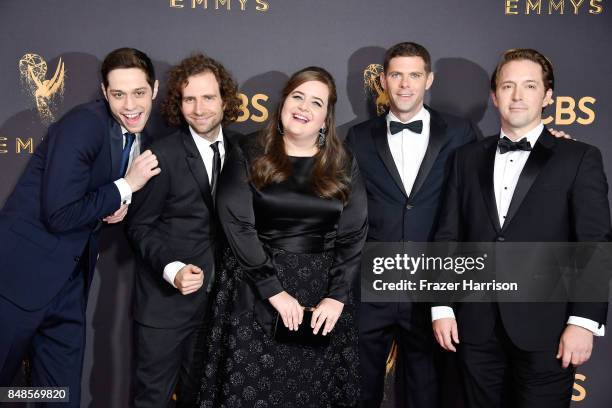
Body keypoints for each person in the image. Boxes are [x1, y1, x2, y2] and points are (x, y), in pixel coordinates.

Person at [432, 48, 610, 408]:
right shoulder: (465, 159)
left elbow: (594, 244)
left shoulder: (578, 157)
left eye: (529, 86)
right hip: (475, 327)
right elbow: (448, 235)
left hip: (548, 329)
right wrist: (441, 306)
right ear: (494, 96)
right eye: (507, 85)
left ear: (547, 96)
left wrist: (584, 321)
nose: (517, 95)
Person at [192, 66, 367, 408]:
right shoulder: (248, 150)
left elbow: (354, 233)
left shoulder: (343, 161)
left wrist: (337, 296)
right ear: (284, 102)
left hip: (321, 298)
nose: (304, 107)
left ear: (326, 118)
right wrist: (274, 291)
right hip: (254, 291)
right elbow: (237, 223)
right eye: (297, 96)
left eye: (316, 103)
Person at [0, 47, 160, 406]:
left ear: (155, 89)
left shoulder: (140, 133)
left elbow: (94, 195)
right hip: (17, 279)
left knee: (58, 396)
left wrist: (118, 203)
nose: (130, 105)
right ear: (105, 93)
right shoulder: (82, 124)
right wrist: (124, 187)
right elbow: (59, 213)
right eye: (118, 94)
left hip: (69, 284)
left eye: (139, 92)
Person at [345, 42, 477, 407]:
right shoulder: (357, 136)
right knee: (359, 391)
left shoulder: (460, 132)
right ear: (383, 81)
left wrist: (553, 143)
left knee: (425, 393)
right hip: (371, 288)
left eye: (414, 75)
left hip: (430, 289)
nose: (405, 84)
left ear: (429, 79)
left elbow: (486, 188)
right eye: (397, 75)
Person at [126, 53, 242, 407]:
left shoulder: (243, 152)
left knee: (202, 397)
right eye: (189, 99)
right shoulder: (162, 154)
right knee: (152, 399)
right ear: (179, 103)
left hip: (219, 307)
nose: (199, 108)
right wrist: (172, 270)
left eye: (208, 97)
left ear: (224, 99)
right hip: (165, 307)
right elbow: (140, 226)